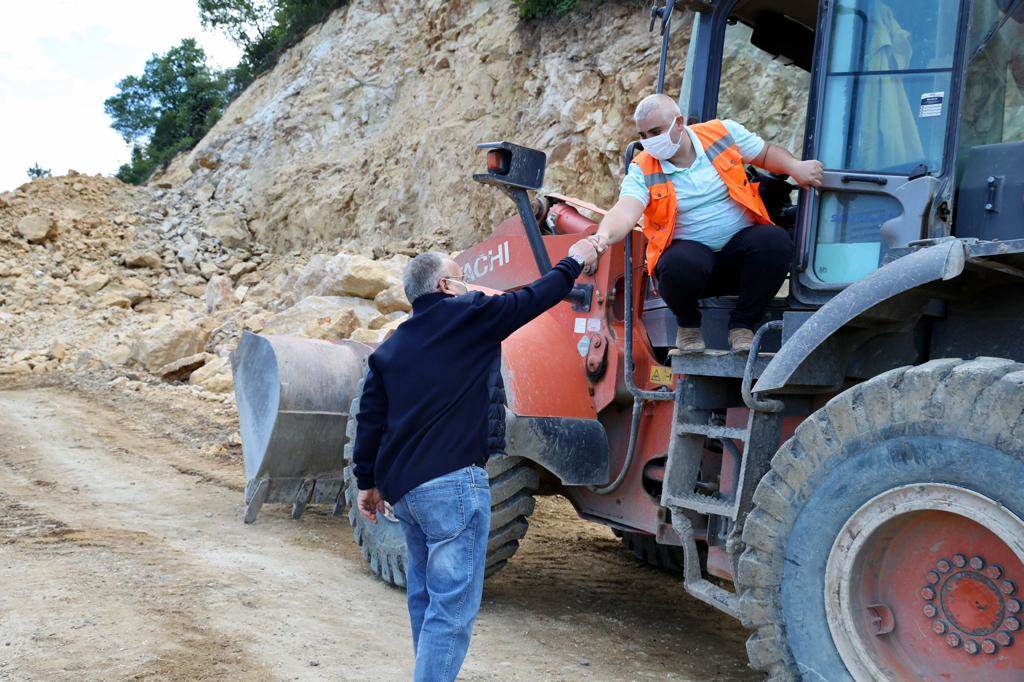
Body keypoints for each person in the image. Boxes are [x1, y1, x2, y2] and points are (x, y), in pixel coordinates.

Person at [351, 239, 598, 681]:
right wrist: (575, 260)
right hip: (452, 490)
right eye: (461, 274)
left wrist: (365, 483)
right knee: (452, 610)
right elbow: (534, 298)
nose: (468, 282)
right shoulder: (469, 316)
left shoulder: (391, 348)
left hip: (405, 494)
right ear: (446, 285)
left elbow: (370, 420)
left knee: (425, 599)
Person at [588, 93, 824, 353]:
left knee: (775, 241)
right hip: (692, 269)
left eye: (655, 132)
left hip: (741, 258)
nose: (648, 142)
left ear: (679, 123)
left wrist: (794, 167)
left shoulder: (721, 133)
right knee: (677, 264)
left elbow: (765, 153)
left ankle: (743, 326)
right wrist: (602, 238)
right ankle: (688, 326)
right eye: (642, 135)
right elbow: (625, 210)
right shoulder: (642, 168)